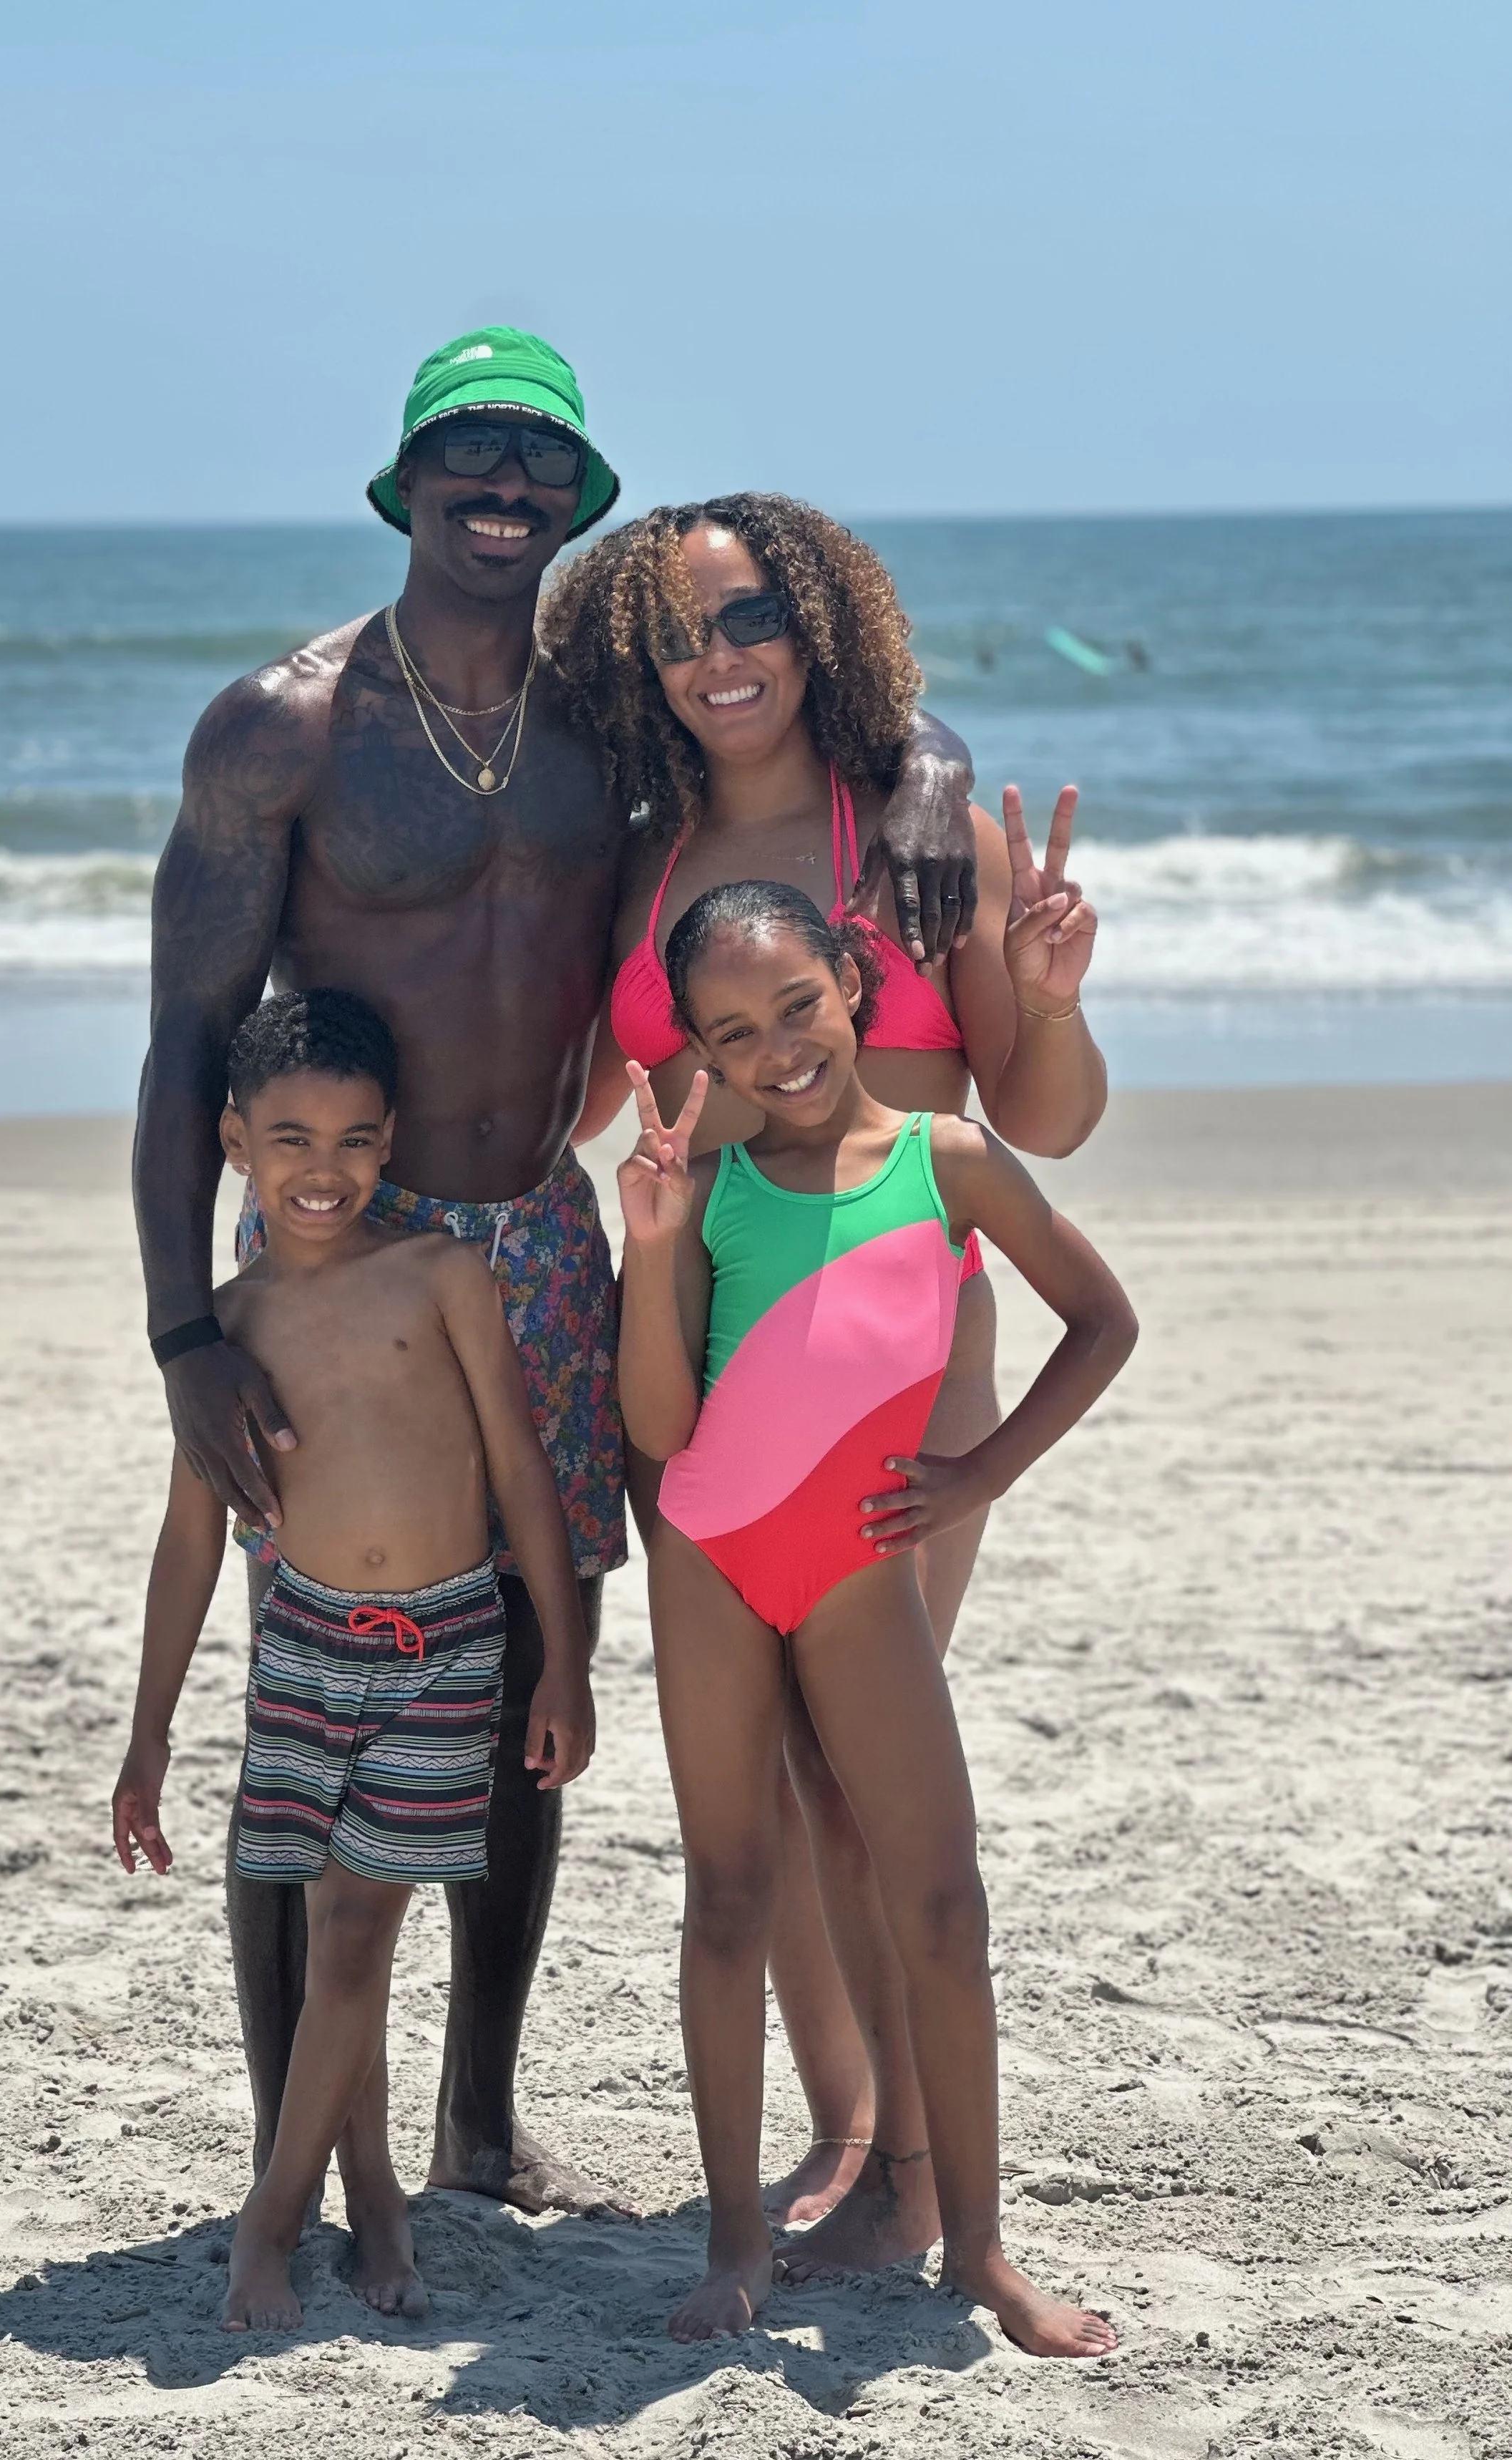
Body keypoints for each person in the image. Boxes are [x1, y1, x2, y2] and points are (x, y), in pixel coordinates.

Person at [135, 332, 982, 2220]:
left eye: (538, 455)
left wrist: (934, 769)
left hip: (536, 1232)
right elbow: (180, 1049)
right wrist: (184, 1323)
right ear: (404, 479)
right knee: (320, 1675)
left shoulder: (606, 738)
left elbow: (819, 725)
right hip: (348, 1244)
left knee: (530, 1658)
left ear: (575, 498)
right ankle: (297, 2125)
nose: (501, 480)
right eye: (466, 449)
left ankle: (480, 2115)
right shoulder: (282, 728)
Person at [544, 497, 1106, 2254]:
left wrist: (1038, 992)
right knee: (768, 1782)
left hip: (899, 1372)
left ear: (816, 629)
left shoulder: (924, 837)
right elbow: (583, 1105)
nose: (719, 663)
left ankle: (921, 2176)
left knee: (862, 1770)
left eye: (747, 621)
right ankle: (848, 2129)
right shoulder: (637, 867)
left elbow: (1045, 1124)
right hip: (696, 1371)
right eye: (681, 637)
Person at [614, 882, 1136, 2346]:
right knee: (727, 1894)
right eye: (731, 1033)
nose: (776, 1046)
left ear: (851, 982)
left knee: (941, 1901)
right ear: (699, 1058)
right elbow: (659, 1429)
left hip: (855, 1573)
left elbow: (1101, 1320)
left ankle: (976, 2255)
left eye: (796, 1004)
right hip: (711, 1558)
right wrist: (649, 1246)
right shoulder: (701, 1195)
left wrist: (977, 1469)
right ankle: (734, 2246)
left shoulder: (945, 1161)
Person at [113, 989, 594, 2330]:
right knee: (341, 1938)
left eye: (354, 1141)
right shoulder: (224, 1327)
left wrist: (561, 1663)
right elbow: (186, 1543)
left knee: (359, 1934)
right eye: (289, 1141)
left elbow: (524, 1477)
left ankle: (273, 2218)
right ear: (233, 1143)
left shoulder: (441, 1276)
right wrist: (150, 1734)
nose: (322, 1171)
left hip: (445, 1645)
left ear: (391, 1143)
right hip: (305, 1650)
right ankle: (374, 2189)